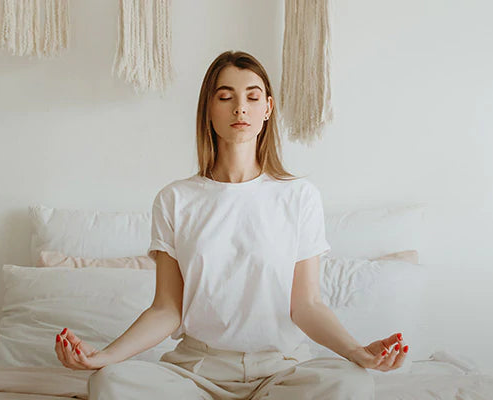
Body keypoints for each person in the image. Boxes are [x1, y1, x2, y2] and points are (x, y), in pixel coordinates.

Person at [50, 51, 408, 399]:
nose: (240, 108)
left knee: (353, 385)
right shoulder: (175, 199)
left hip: (282, 370)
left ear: (267, 108)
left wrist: (358, 352)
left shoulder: (299, 197)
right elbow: (167, 309)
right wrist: (105, 357)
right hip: (197, 371)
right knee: (109, 383)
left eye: (252, 97)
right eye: (226, 97)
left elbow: (307, 305)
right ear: (208, 108)